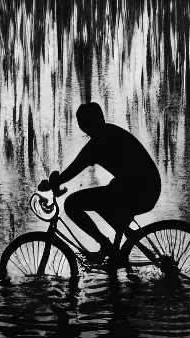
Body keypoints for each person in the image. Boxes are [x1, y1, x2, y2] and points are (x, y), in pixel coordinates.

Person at [40, 102, 161, 266]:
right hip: (141, 188)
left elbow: (76, 166)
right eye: (80, 121)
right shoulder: (109, 133)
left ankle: (106, 246)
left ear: (92, 121)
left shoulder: (100, 141)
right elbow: (78, 165)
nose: (81, 125)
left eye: (83, 121)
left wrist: (55, 181)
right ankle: (116, 243)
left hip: (140, 191)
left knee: (72, 203)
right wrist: (57, 181)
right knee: (100, 200)